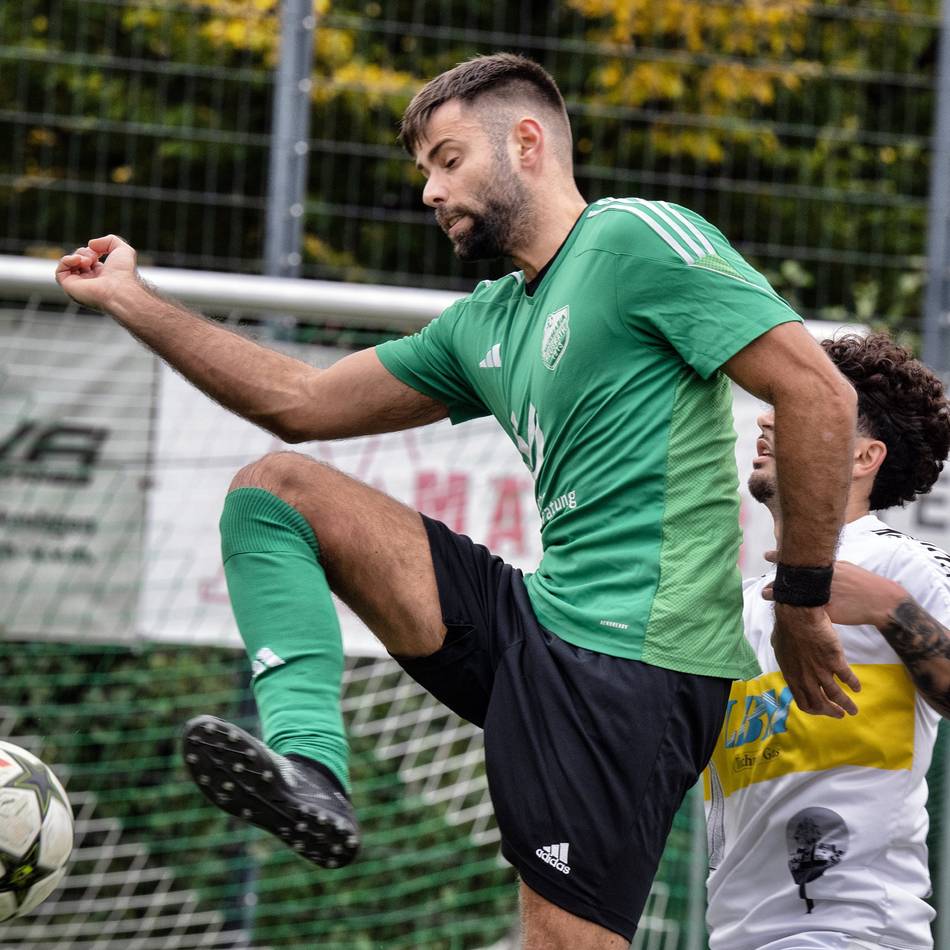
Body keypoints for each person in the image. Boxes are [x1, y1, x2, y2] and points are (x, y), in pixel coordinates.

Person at [55, 53, 859, 948]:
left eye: (447, 160)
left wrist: (802, 602)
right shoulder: (488, 321)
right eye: (424, 173)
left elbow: (817, 394)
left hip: (632, 662)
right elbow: (300, 402)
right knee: (272, 494)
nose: (431, 192)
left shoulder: (637, 239)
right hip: (541, 625)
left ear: (527, 142)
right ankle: (312, 768)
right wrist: (131, 298)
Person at [705, 332, 950, 950]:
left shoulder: (901, 568)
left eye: (795, 406)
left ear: (863, 457)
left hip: (854, 932)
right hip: (736, 935)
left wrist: (892, 611)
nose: (764, 416)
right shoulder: (735, 604)